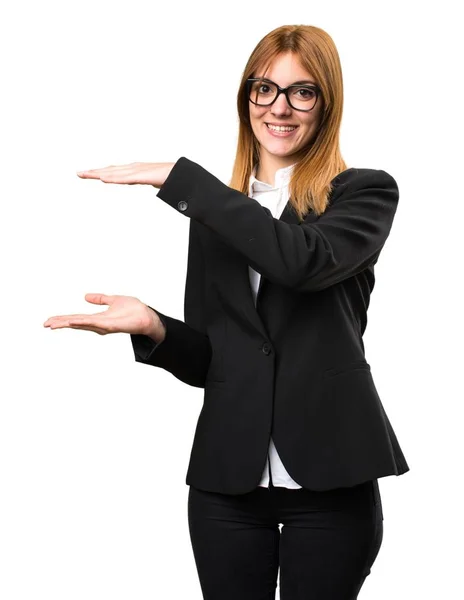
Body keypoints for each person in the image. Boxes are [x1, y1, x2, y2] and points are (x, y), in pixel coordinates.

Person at [44, 24, 409, 600]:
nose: (280, 108)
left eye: (302, 92)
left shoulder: (361, 193)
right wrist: (154, 327)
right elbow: (216, 362)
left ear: (327, 103)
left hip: (332, 480)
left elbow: (302, 262)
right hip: (226, 487)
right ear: (246, 100)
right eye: (264, 89)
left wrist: (187, 183)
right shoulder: (217, 213)